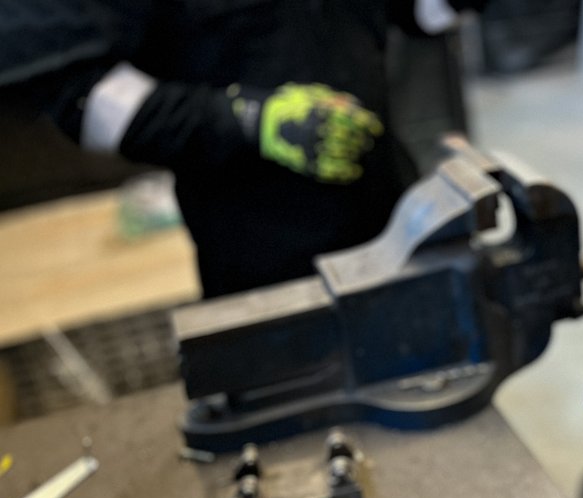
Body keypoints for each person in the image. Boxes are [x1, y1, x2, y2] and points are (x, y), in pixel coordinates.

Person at [0, 0, 482, 299]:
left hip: (394, 220)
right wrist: (248, 121)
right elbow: (83, 98)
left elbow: (410, 11)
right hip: (263, 262)